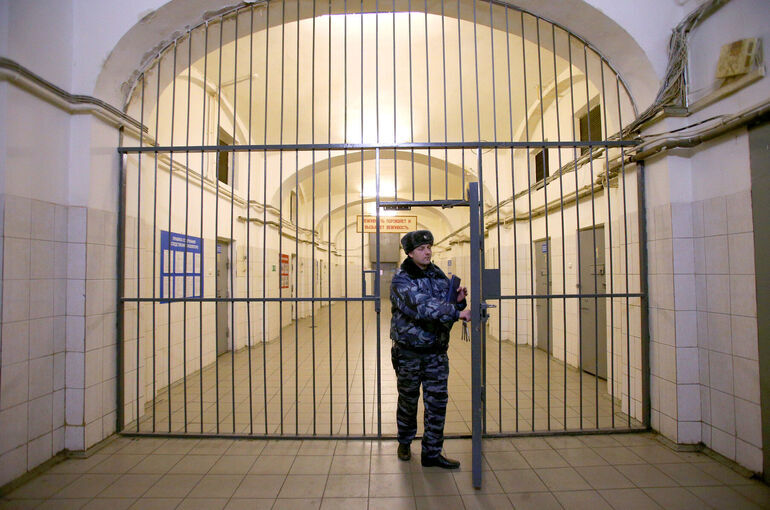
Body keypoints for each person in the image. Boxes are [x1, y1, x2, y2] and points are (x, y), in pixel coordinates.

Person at [390, 229, 471, 469]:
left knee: (437, 404)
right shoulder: (402, 279)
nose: (427, 252)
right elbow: (423, 307)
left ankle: (432, 453)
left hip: (436, 352)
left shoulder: (438, 274)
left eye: (429, 248)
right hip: (409, 353)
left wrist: (458, 301)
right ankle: (405, 442)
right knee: (408, 402)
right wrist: (456, 313)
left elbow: (445, 304)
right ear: (410, 253)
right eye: (421, 249)